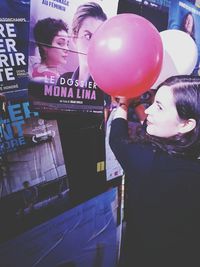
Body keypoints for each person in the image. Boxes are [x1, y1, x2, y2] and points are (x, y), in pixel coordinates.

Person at [109, 75, 200, 267]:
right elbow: (153, 128)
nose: (149, 110)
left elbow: (117, 139)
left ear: (186, 124)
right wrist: (139, 108)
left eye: (158, 106)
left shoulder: (148, 163)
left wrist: (123, 105)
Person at [57, 2, 107, 87]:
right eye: (88, 36)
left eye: (99, 38)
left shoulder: (107, 88)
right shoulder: (64, 80)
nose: (93, 46)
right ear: (74, 38)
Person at [31, 17, 69, 83]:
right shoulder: (46, 75)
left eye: (67, 44)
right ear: (45, 46)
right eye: (60, 43)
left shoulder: (58, 72)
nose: (67, 49)